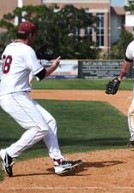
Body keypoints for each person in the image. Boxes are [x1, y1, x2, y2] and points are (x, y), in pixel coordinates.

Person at [0, 21, 82, 177]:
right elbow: (41, 75)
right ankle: (9, 153)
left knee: (50, 122)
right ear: (30, 35)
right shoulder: (27, 50)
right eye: (34, 35)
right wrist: (54, 66)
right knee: (40, 128)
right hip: (14, 95)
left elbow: (22, 65)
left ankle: (58, 162)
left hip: (15, 94)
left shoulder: (9, 47)